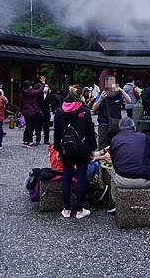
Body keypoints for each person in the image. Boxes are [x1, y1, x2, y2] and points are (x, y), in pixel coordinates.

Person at [53, 85, 97, 220]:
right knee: (81, 177)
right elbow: (90, 131)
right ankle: (79, 210)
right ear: (80, 96)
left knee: (66, 177)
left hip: (66, 149)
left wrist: (57, 149)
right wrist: (93, 149)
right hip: (82, 148)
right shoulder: (84, 110)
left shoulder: (59, 111)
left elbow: (56, 133)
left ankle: (66, 209)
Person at [108, 117, 150, 211]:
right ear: (134, 127)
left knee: (113, 169)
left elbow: (113, 160)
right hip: (145, 181)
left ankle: (116, 202)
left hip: (122, 181)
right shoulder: (143, 137)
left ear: (119, 128)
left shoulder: (115, 139)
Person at [93, 73, 131, 150]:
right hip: (103, 124)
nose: (111, 84)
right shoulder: (101, 93)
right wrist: (101, 99)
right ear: (106, 83)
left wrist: (121, 90)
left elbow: (129, 101)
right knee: (103, 146)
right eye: (109, 82)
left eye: (113, 82)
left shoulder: (118, 94)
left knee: (116, 146)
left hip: (116, 124)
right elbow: (93, 108)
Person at [20, 77, 45, 147]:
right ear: (29, 86)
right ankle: (30, 141)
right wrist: (43, 83)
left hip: (25, 111)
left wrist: (20, 111)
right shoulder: (30, 92)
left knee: (27, 126)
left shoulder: (23, 92)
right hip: (31, 111)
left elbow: (20, 103)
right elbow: (39, 90)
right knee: (31, 127)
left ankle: (25, 141)